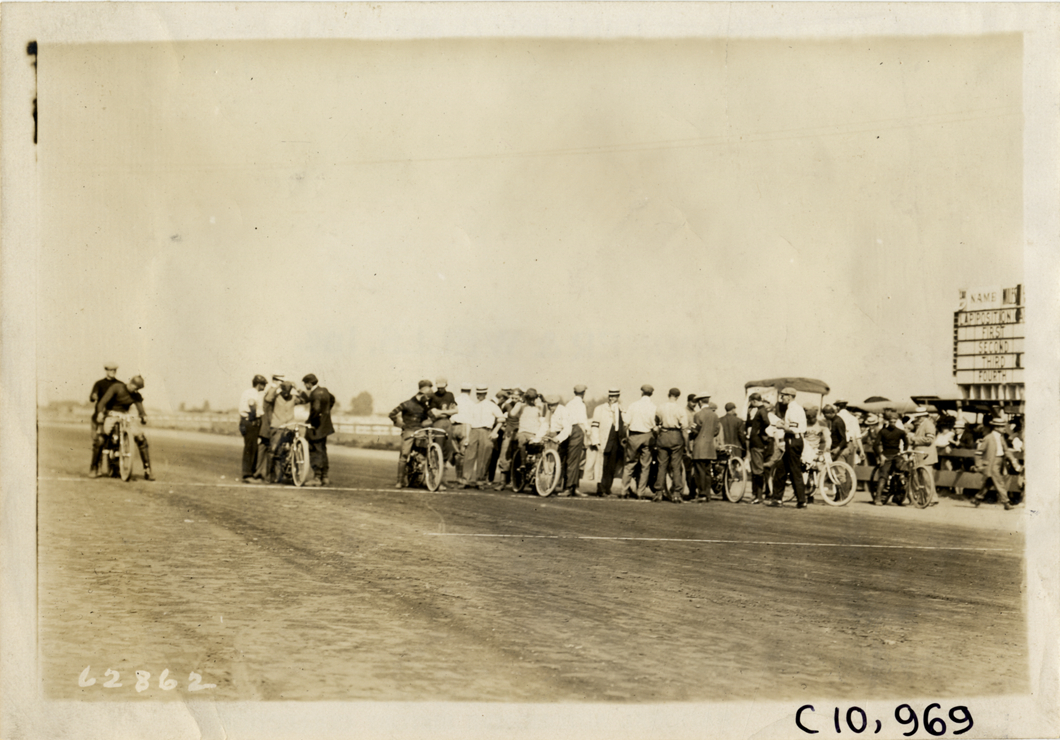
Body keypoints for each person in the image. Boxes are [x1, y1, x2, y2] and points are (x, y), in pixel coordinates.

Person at [93, 374, 153, 480]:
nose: (136, 391)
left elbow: (141, 410)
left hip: (126, 416)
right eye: (135, 388)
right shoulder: (117, 388)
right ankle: (95, 467)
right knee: (102, 436)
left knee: (140, 438)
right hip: (112, 415)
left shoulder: (136, 395)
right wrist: (100, 413)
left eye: (138, 389)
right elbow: (102, 402)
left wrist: (144, 417)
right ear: (130, 383)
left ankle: (147, 470)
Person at [767, 387, 808, 508]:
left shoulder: (794, 409)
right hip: (793, 439)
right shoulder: (794, 408)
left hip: (793, 439)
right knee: (781, 469)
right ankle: (777, 498)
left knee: (795, 470)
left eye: (783, 396)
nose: (782, 399)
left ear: (789, 397)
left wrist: (781, 426)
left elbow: (794, 428)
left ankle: (801, 500)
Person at [389, 380, 434, 488]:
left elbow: (433, 417)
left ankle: (425, 478)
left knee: (425, 453)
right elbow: (392, 414)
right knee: (404, 455)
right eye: (426, 396)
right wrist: (401, 424)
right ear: (421, 393)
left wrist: (425, 423)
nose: (428, 399)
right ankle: (399, 481)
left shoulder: (425, 407)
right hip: (409, 430)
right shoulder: (406, 404)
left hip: (420, 431)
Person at [972, 417, 1022, 510]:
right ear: (996, 427)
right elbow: (978, 452)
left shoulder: (1001, 437)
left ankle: (977, 498)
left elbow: (1006, 451)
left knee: (989, 482)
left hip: (1000, 462)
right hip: (991, 463)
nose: (1004, 428)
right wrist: (978, 465)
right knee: (999, 482)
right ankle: (1006, 502)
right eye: (1002, 426)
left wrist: (1013, 460)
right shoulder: (988, 438)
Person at [262, 380, 306, 482]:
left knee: (291, 450)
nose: (286, 394)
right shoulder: (276, 397)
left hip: (290, 426)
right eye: (284, 391)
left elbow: (304, 400)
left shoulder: (293, 398)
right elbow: (268, 398)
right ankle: (269, 476)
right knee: (273, 450)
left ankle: (290, 474)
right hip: (277, 426)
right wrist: (275, 387)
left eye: (289, 391)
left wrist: (297, 387)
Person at [651, 388, 689, 503]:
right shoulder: (681, 409)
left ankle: (658, 493)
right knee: (676, 466)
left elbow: (656, 422)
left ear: (668, 395)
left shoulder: (660, 407)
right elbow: (684, 429)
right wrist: (686, 445)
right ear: (678, 397)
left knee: (661, 465)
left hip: (663, 435)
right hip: (676, 436)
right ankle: (677, 493)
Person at [621, 384, 657, 500]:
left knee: (629, 464)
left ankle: (624, 490)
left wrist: (624, 437)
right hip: (647, 436)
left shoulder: (633, 405)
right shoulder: (653, 407)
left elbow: (625, 423)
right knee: (645, 466)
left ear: (641, 392)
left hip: (634, 436)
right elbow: (654, 426)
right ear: (651, 394)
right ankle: (640, 492)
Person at [465, 386, 504, 488]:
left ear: (485, 394)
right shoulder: (473, 406)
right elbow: (468, 422)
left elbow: (501, 419)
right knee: (469, 455)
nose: (479, 396)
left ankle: (480, 480)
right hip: (473, 431)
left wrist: (494, 431)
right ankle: (465, 480)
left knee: (484, 456)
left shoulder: (492, 405)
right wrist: (467, 436)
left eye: (481, 394)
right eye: (478, 394)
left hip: (486, 431)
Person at [590, 389, 625, 497]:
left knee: (611, 466)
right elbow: (594, 426)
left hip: (616, 442)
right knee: (601, 465)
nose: (611, 398)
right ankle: (600, 489)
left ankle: (607, 488)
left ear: (618, 396)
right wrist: (596, 441)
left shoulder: (622, 409)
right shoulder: (600, 409)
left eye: (614, 396)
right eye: (610, 396)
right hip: (604, 441)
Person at [88, 363, 122, 476]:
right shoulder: (99, 384)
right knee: (99, 441)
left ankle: (114, 468)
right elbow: (93, 397)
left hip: (114, 416)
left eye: (114, 370)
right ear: (106, 370)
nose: (112, 372)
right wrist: (94, 396)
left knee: (116, 442)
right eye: (110, 370)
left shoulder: (120, 384)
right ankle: (94, 467)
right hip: (101, 417)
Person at [302, 374, 335, 487]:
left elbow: (315, 409)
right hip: (325, 426)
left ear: (309, 383)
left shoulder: (314, 393)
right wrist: (326, 412)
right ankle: (325, 477)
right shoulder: (324, 390)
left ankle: (317, 478)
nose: (305, 386)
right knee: (322, 450)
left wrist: (311, 421)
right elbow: (332, 399)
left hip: (316, 427)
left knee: (315, 450)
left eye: (305, 384)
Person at [690, 392, 722, 503]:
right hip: (709, 446)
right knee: (708, 471)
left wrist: (689, 435)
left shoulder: (698, 415)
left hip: (699, 446)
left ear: (699, 402)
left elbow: (694, 431)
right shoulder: (715, 415)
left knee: (699, 472)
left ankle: (702, 494)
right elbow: (716, 431)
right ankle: (707, 494)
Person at [873, 409, 908, 505]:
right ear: (888, 421)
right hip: (886, 456)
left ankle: (899, 495)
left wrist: (904, 452)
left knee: (903, 472)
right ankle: (877, 498)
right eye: (891, 421)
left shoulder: (900, 432)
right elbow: (875, 445)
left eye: (894, 422)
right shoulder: (883, 432)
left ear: (896, 421)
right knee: (883, 476)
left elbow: (906, 442)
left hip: (897, 455)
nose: (892, 423)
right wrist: (881, 455)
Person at [907, 406, 938, 505]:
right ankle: (926, 498)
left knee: (926, 478)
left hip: (926, 455)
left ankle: (931, 498)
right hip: (921, 455)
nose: (917, 419)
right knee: (923, 478)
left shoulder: (928, 425)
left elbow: (929, 440)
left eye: (918, 417)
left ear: (923, 416)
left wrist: (913, 439)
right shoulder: (922, 425)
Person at [562, 384, 590, 496]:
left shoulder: (569, 403)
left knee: (571, 459)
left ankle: (571, 486)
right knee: (575, 460)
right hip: (577, 430)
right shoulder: (580, 404)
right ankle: (570, 487)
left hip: (568, 430)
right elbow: (583, 420)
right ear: (583, 393)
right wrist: (587, 433)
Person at [239, 374, 267, 483]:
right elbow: (252, 404)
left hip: (245, 421)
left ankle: (250, 472)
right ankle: (247, 475)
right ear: (259, 384)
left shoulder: (248, 391)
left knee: (251, 447)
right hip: (250, 421)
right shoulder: (253, 393)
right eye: (263, 384)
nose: (264, 386)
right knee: (250, 448)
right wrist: (253, 417)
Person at [745, 392, 771, 504]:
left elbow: (766, 422)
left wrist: (760, 431)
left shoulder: (761, 410)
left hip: (756, 443)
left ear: (754, 401)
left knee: (757, 470)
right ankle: (758, 495)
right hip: (757, 443)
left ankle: (758, 496)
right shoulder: (761, 410)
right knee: (757, 469)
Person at [450, 383, 474, 482]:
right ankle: (461, 478)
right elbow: (470, 420)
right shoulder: (472, 403)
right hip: (465, 427)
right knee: (463, 453)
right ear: (470, 391)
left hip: (453, 426)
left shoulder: (454, 400)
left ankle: (458, 476)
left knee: (456, 453)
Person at [835, 401, 864, 465]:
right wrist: (862, 450)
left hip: (839, 444)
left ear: (838, 407)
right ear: (845, 406)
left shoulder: (835, 418)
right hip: (850, 444)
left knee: (839, 467)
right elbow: (858, 436)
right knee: (849, 468)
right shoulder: (853, 418)